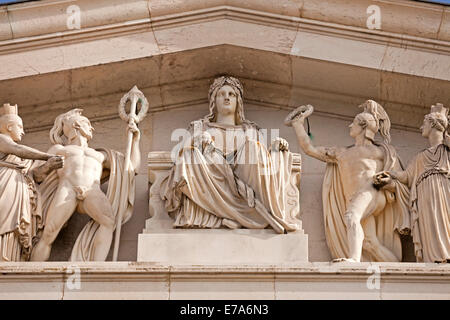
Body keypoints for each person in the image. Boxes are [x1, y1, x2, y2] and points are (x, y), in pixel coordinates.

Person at [161, 76, 302, 233]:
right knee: (190, 156)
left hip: (244, 184)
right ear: (214, 101)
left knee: (253, 149)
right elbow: (181, 154)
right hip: (210, 180)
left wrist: (276, 149)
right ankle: (233, 215)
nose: (227, 97)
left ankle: (244, 216)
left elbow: (262, 162)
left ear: (238, 102)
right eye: (221, 94)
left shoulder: (250, 130)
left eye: (231, 94)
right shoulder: (200, 127)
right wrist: (197, 141)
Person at [286, 100, 410, 262]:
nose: (350, 126)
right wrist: (298, 124)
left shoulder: (378, 151)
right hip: (355, 197)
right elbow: (310, 149)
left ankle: (354, 259)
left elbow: (399, 176)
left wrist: (389, 182)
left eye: (354, 123)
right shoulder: (341, 153)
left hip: (370, 191)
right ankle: (396, 267)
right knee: (369, 243)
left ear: (363, 126)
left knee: (351, 217)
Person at [30, 108, 140, 261]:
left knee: (108, 222)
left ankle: (95, 268)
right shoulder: (60, 150)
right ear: (77, 126)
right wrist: (48, 165)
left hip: (91, 191)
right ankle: (34, 272)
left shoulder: (100, 155)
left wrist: (135, 140)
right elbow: (37, 175)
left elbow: (131, 168)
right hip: (68, 189)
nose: (92, 128)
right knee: (48, 233)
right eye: (87, 123)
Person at [376, 103, 449, 263]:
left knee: (444, 221)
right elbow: (406, 176)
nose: (421, 127)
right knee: (430, 226)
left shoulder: (446, 151)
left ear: (433, 124)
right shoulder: (420, 158)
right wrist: (389, 174)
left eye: (425, 123)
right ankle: (434, 258)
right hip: (424, 196)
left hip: (444, 193)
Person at [0, 103, 63, 261]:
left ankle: (12, 259)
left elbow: (36, 176)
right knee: (5, 225)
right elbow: (19, 149)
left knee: (15, 229)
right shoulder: (2, 140)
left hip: (20, 189)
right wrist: (47, 156)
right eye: (19, 127)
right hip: (5, 185)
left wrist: (49, 166)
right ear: (8, 127)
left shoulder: (20, 160)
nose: (23, 131)